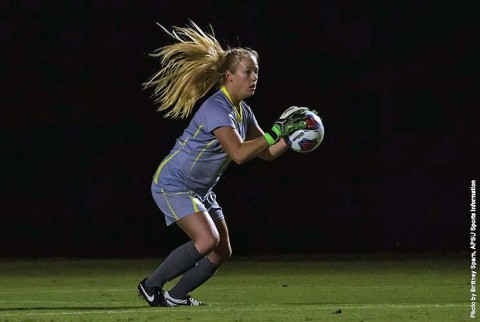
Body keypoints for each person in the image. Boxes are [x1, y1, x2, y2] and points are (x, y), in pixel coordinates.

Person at [137, 21, 309, 307]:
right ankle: (151, 285)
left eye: (256, 71)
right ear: (229, 76)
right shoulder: (217, 108)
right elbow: (239, 154)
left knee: (221, 250)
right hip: (174, 183)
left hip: (200, 190)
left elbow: (264, 153)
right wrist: (276, 132)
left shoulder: (243, 111)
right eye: (248, 71)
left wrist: (291, 139)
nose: (254, 77)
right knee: (207, 240)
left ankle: (176, 297)